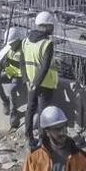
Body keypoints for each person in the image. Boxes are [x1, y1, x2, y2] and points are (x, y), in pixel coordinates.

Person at [24, 12, 60, 150]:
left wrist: (28, 80)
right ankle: (41, 140)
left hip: (31, 81)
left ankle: (28, 137)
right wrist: (37, 82)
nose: (52, 29)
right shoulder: (47, 43)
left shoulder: (26, 41)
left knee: (30, 108)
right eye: (51, 26)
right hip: (44, 83)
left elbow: (23, 62)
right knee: (43, 112)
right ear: (45, 26)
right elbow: (45, 67)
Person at [0, 27, 27, 129]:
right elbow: (6, 63)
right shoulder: (9, 48)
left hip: (20, 76)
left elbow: (24, 68)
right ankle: (5, 101)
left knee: (11, 89)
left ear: (18, 41)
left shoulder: (24, 50)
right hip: (10, 72)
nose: (10, 45)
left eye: (12, 43)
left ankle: (14, 112)